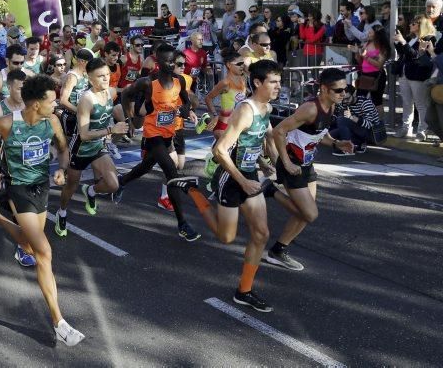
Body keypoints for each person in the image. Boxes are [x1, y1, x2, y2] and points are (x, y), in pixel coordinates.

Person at [0, 74, 85, 346]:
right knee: (44, 252)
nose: (56, 106)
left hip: (41, 187)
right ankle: (59, 322)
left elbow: (62, 149)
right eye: (51, 101)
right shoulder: (7, 123)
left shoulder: (52, 122)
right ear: (36, 103)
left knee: (26, 243)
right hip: (18, 188)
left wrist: (60, 168)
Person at [180, 59, 282, 312]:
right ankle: (193, 190)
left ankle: (243, 291)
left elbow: (253, 142)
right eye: (274, 82)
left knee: (261, 234)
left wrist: (266, 164)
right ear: (257, 83)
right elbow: (220, 151)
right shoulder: (245, 110)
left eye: (279, 81)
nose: (279, 86)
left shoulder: (266, 108)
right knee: (226, 237)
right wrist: (243, 181)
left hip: (249, 177)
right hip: (230, 178)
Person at [266, 67, 354, 271]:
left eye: (345, 89)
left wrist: (335, 143)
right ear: (323, 89)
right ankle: (269, 190)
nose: (343, 94)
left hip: (306, 164)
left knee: (303, 214)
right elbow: (279, 131)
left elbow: (318, 133)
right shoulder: (310, 108)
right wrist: (286, 163)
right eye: (338, 90)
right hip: (292, 164)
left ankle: (278, 251)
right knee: (310, 214)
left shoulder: (332, 105)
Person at [118, 44, 201, 241]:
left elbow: (186, 101)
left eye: (175, 61)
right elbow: (125, 95)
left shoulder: (179, 80)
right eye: (168, 61)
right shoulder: (147, 83)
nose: (172, 65)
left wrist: (185, 110)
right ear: (157, 62)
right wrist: (129, 120)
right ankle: (182, 223)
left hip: (168, 134)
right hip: (152, 134)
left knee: (146, 166)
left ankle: (121, 181)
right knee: (171, 171)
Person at [54, 58, 128, 236]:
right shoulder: (87, 100)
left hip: (97, 147)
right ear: (89, 78)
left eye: (107, 75)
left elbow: (117, 107)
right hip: (80, 148)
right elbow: (84, 134)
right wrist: (111, 129)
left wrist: (124, 121)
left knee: (113, 184)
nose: (105, 79)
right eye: (100, 76)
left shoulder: (110, 92)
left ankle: (91, 190)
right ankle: (61, 212)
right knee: (71, 186)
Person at [394, 16, 436, 140]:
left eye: (413, 23)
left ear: (421, 25)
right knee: (407, 103)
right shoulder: (410, 37)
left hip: (417, 75)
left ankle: (422, 130)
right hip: (405, 73)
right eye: (411, 23)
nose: (410, 25)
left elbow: (415, 55)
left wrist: (403, 42)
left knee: (420, 104)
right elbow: (404, 52)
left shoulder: (429, 38)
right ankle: (406, 128)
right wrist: (397, 42)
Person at [205, 48, 248, 139]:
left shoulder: (243, 79)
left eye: (242, 63)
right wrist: (215, 115)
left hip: (239, 124)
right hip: (224, 127)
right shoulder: (225, 83)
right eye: (239, 64)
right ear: (229, 65)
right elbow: (208, 98)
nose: (242, 66)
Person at [330, 85, 382, 155]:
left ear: (354, 94)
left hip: (371, 132)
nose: (345, 101)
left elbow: (369, 124)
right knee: (329, 136)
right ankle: (359, 143)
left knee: (341, 120)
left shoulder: (365, 103)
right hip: (356, 129)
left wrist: (351, 117)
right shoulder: (344, 102)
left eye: (347, 98)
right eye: (343, 99)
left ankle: (348, 148)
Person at [352, 24, 389, 112]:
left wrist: (366, 57)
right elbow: (360, 62)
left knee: (377, 101)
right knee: (360, 99)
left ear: (377, 34)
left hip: (377, 76)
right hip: (365, 75)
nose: (368, 33)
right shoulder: (366, 44)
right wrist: (357, 53)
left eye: (371, 32)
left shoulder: (382, 47)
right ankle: (361, 121)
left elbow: (379, 64)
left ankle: (379, 123)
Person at [58, 49, 93, 137]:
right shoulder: (72, 77)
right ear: (82, 61)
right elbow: (63, 100)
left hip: (82, 115)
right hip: (71, 116)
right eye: (90, 63)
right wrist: (80, 112)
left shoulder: (85, 74)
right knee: (70, 145)